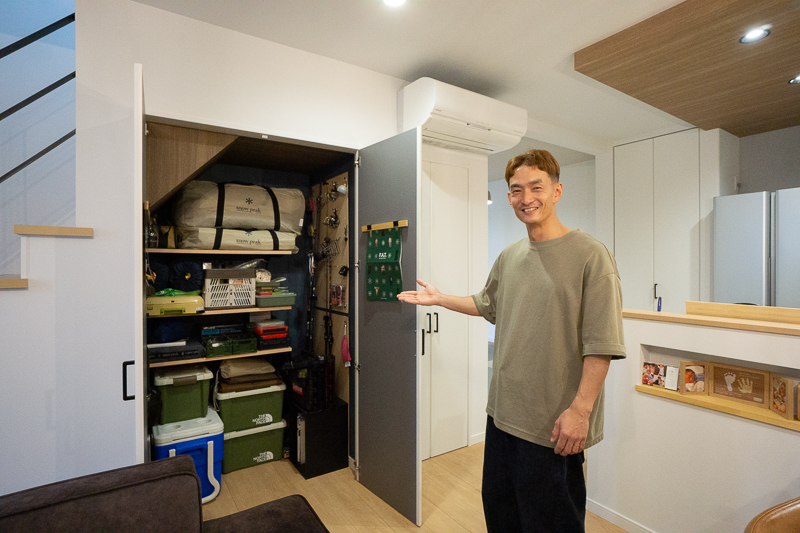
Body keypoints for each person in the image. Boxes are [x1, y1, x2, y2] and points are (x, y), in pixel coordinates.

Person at [398, 149, 626, 532]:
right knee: (502, 516)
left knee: (551, 524)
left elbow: (602, 343)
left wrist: (580, 412)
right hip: (503, 417)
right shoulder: (510, 256)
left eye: (536, 187)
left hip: (552, 425)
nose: (526, 198)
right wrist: (440, 299)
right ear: (508, 197)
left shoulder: (591, 256)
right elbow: (486, 304)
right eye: (517, 190)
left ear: (556, 191)